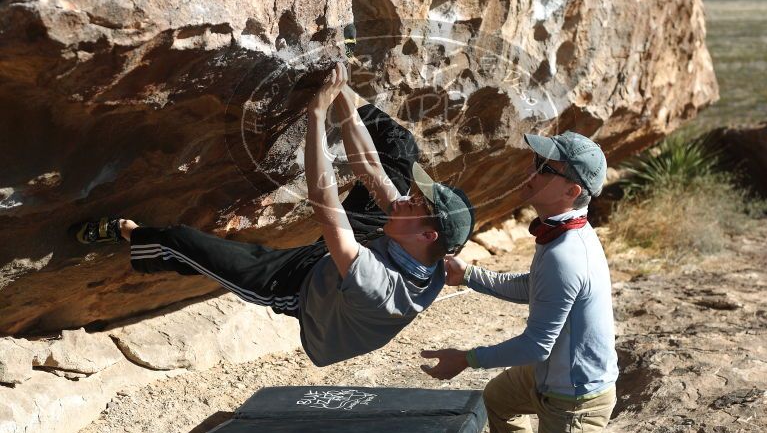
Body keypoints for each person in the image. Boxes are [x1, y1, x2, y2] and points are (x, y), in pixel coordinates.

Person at [75, 62, 474, 367]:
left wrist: (316, 114)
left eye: (416, 205)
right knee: (398, 151)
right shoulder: (420, 241)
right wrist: (339, 92)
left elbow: (325, 198)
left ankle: (127, 233)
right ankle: (342, 77)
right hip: (364, 250)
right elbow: (370, 167)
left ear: (426, 236)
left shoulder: (379, 288)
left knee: (185, 242)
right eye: (415, 198)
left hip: (304, 287)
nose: (407, 199)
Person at [420, 131, 741, 433]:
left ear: (571, 191)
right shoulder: (561, 235)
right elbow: (534, 287)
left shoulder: (566, 253)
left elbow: (537, 345)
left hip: (575, 399)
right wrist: (470, 276)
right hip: (551, 377)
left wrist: (465, 359)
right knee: (499, 397)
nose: (531, 171)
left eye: (544, 168)